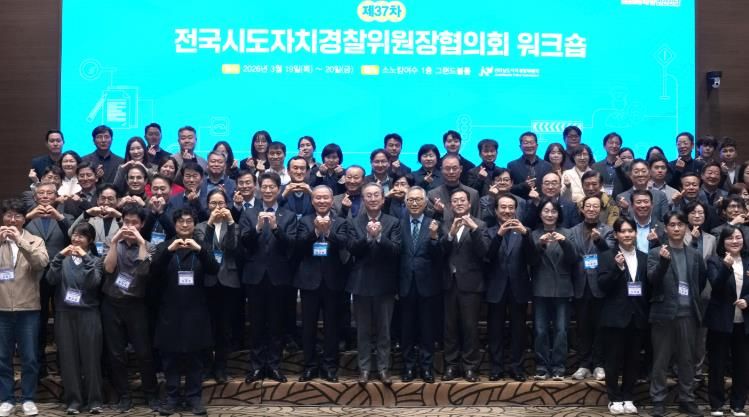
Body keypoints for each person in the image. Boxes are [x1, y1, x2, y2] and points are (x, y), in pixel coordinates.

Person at [150, 208, 219, 416]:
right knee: (170, 358)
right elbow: (153, 272)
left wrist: (200, 250)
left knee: (195, 358)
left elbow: (214, 269)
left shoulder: (202, 246)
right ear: (175, 224)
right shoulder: (164, 246)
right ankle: (172, 397)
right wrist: (168, 251)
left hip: (196, 311)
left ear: (194, 224)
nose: (185, 225)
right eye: (181, 221)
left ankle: (194, 397)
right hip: (169, 311)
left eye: (189, 221)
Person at [100, 204, 159, 412]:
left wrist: (141, 242)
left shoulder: (149, 246)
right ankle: (124, 396)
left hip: (136, 305)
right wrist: (114, 242)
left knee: (143, 352)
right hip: (111, 303)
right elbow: (108, 269)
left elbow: (143, 272)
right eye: (126, 222)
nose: (130, 226)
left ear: (142, 224)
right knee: (116, 354)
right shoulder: (111, 242)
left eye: (135, 223)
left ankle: (151, 394)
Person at [648, 211, 706, 417]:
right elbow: (652, 281)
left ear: (686, 228)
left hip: (688, 315)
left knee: (687, 361)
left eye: (680, 224)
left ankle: (686, 399)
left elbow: (700, 282)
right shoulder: (656, 252)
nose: (676, 228)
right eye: (672, 225)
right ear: (666, 228)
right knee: (661, 361)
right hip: (663, 314)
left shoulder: (694, 254)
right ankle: (658, 400)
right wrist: (663, 263)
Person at [240, 172, 297, 383]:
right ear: (258, 189)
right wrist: (256, 228)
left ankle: (273, 365)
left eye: (272, 187)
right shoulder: (249, 213)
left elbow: (290, 245)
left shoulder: (288, 215)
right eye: (264, 186)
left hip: (278, 276)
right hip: (254, 276)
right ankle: (256, 367)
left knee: (276, 324)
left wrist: (275, 228)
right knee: (256, 324)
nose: (267, 190)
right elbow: (244, 243)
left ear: (278, 189)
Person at [46, 222, 104, 415]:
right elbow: (51, 280)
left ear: (90, 240)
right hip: (64, 313)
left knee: (91, 359)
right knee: (68, 359)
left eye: (82, 236)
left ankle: (94, 400)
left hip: (89, 314)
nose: (76, 239)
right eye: (74, 235)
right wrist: (59, 257)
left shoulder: (96, 260)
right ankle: (74, 401)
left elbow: (94, 282)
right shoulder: (62, 260)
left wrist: (85, 258)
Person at [347, 182, 401, 385]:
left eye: (376, 195)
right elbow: (352, 248)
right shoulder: (354, 222)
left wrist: (379, 237)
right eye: (368, 196)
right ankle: (364, 369)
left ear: (383, 199)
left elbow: (396, 250)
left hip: (385, 284)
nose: (372, 199)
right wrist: (368, 237)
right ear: (363, 199)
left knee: (384, 330)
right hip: (361, 284)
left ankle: (383, 368)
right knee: (363, 330)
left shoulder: (393, 222)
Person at [293, 185, 349, 383]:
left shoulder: (341, 221)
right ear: (312, 201)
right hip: (309, 282)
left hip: (333, 281)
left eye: (326, 198)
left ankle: (329, 366)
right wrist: (316, 232)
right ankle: (309, 366)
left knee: (332, 327)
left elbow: (344, 244)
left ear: (332, 200)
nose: (322, 201)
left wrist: (328, 232)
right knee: (308, 327)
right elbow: (298, 246)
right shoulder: (304, 221)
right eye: (318, 198)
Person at [0, 198, 49, 417]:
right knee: (3, 357)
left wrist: (20, 241)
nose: (12, 220)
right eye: (8, 215)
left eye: (17, 216)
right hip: (1, 309)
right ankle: (7, 399)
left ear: (24, 219)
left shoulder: (35, 240)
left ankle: (28, 398)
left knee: (29, 357)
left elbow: (41, 263)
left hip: (28, 308)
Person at [597, 217, 649, 416]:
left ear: (635, 233)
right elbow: (602, 285)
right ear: (616, 235)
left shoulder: (644, 257)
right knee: (613, 360)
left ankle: (628, 397)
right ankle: (614, 398)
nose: (627, 234)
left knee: (633, 360)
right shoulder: (606, 256)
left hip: (638, 316)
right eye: (623, 231)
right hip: (615, 317)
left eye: (630, 231)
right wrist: (617, 269)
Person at [23, 182, 72, 378]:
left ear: (56, 196)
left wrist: (59, 217)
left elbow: (75, 235)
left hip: (61, 275)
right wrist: (28, 216)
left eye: (49, 193)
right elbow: (15, 231)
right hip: (35, 276)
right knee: (39, 321)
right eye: (41, 193)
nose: (45, 196)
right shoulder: (27, 218)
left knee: (63, 321)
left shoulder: (66, 217)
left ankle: (63, 363)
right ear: (35, 197)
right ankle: (39, 365)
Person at [440, 189, 489, 382]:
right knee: (449, 328)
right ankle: (451, 365)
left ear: (469, 204)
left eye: (462, 200)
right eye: (455, 201)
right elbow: (440, 253)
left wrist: (474, 230)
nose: (459, 203)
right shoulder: (445, 224)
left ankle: (470, 367)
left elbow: (484, 252)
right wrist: (450, 235)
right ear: (450, 205)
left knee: (470, 327)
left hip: (471, 283)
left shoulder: (481, 225)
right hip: (449, 283)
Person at [194, 189, 240, 384]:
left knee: (224, 327)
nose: (217, 207)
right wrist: (211, 224)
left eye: (221, 203)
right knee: (207, 325)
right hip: (207, 281)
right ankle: (207, 366)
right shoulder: (200, 226)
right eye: (213, 203)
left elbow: (232, 247)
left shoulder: (234, 225)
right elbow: (203, 249)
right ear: (207, 206)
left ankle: (221, 367)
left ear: (227, 205)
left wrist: (230, 222)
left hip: (228, 281)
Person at [484, 194, 531, 381]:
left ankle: (516, 367)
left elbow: (533, 258)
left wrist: (525, 235)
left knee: (518, 330)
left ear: (516, 210)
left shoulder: (524, 230)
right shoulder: (489, 231)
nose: (507, 211)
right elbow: (486, 257)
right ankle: (496, 367)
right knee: (495, 329)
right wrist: (499, 235)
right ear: (496, 210)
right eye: (503, 207)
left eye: (511, 207)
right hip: (496, 287)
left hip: (519, 287)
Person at [569, 195, 615, 381]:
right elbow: (570, 256)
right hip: (580, 285)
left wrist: (599, 241)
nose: (591, 209)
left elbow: (610, 253)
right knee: (583, 327)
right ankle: (583, 364)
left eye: (595, 206)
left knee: (600, 327)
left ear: (601, 210)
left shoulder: (608, 231)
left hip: (599, 285)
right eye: (588, 206)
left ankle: (598, 364)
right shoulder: (572, 231)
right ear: (582, 209)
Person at [530, 198, 577, 381]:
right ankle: (542, 366)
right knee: (540, 330)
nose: (550, 215)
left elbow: (574, 260)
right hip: (540, 288)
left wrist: (564, 242)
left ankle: (558, 367)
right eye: (546, 211)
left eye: (553, 211)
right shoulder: (533, 234)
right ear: (540, 213)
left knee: (561, 330)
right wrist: (540, 245)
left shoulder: (568, 233)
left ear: (559, 214)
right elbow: (530, 261)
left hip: (562, 288)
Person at [399, 186, 442, 383]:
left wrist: (434, 238)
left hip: (428, 285)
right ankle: (408, 367)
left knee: (427, 329)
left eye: (418, 200)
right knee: (406, 329)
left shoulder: (434, 223)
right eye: (411, 200)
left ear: (425, 203)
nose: (414, 203)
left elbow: (440, 256)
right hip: (404, 284)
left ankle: (426, 367)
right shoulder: (399, 224)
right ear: (405, 203)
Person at [705, 226, 749, 416]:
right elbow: (716, 286)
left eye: (738, 237)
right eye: (730, 238)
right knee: (717, 364)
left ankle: (738, 404)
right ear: (723, 242)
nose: (735, 241)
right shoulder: (714, 261)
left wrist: (748, 300)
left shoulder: (748, 261)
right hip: (721, 320)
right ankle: (716, 404)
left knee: (743, 364)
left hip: (744, 322)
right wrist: (725, 266)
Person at [426, 155, 480, 225]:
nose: (451, 172)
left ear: (461, 169)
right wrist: (437, 212)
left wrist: (444, 211)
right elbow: (429, 222)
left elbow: (478, 222)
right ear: (441, 170)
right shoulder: (432, 195)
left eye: (455, 168)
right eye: (447, 168)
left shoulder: (473, 194)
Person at [508, 132, 552, 199]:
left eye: (531, 142)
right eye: (526, 143)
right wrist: (524, 185)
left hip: (542, 203)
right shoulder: (512, 165)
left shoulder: (547, 166)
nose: (529, 146)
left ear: (537, 146)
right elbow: (509, 188)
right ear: (520, 146)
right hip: (520, 203)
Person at [591, 132, 624, 197]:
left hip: (622, 201)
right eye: (611, 143)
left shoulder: (625, 166)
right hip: (601, 201)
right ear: (604, 146)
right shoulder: (595, 167)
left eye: (617, 143)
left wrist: (620, 169)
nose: (614, 146)